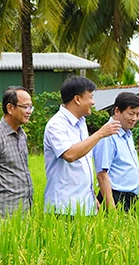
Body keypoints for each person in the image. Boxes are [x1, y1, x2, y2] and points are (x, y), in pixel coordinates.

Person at [43, 77, 121, 216]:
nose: (93, 102)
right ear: (77, 99)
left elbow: (82, 164)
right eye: (90, 97)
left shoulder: (81, 123)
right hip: (64, 207)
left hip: (85, 205)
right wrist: (100, 134)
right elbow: (70, 154)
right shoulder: (56, 125)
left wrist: (90, 196)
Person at [0, 86, 34, 220]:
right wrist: (2, 194)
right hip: (2, 214)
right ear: (10, 108)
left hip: (24, 210)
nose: (29, 111)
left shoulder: (22, 134)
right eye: (25, 107)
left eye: (31, 107)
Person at [93, 92, 139, 212]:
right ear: (117, 111)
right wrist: (112, 210)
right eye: (131, 114)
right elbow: (102, 174)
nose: (135, 119)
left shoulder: (127, 134)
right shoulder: (107, 136)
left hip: (129, 198)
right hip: (114, 197)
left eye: (138, 114)